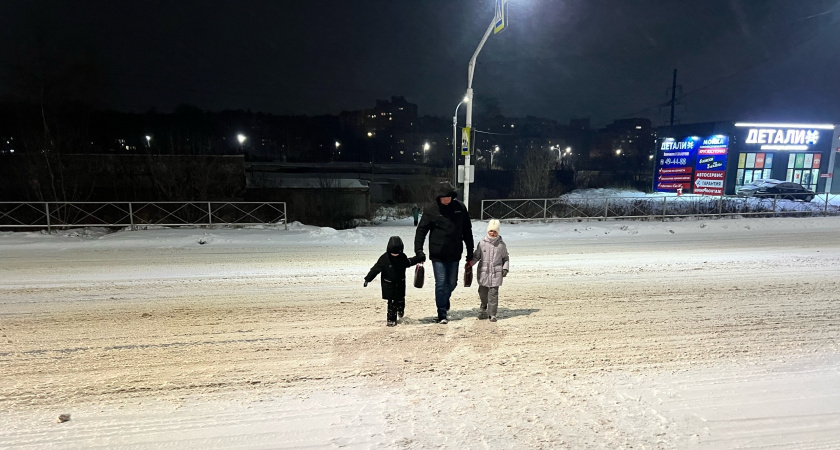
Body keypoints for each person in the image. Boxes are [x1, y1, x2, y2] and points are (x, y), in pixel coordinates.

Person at [414, 183, 474, 324]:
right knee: (440, 283)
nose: (446, 200)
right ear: (439, 197)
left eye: (448, 197)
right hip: (437, 254)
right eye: (443, 198)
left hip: (454, 252)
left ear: (452, 196)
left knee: (452, 283)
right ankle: (441, 313)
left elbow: (467, 231)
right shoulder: (431, 209)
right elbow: (421, 231)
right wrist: (419, 250)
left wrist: (470, 251)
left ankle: (444, 299)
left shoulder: (460, 208)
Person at [364, 236, 425, 326]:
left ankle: (400, 310)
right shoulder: (384, 259)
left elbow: (409, 262)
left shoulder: (402, 257)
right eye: (393, 253)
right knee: (391, 302)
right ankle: (391, 319)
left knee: (400, 300)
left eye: (397, 253)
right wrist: (368, 279)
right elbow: (375, 270)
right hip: (388, 284)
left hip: (400, 283)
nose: (395, 255)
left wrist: (419, 258)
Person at [472, 219, 509, 322]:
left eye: (495, 231)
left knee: (493, 293)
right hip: (483, 272)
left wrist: (505, 268)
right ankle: (483, 306)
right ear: (488, 231)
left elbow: (505, 258)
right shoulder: (482, 243)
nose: (493, 233)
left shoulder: (501, 245)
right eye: (491, 231)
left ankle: (492, 314)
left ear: (498, 232)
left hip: (496, 272)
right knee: (482, 292)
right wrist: (470, 264)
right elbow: (476, 256)